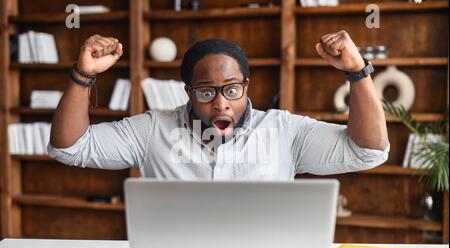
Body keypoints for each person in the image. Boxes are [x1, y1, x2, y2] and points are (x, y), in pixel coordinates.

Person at [48, 31, 389, 180]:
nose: (221, 103)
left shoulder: (285, 131)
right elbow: (69, 148)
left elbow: (368, 151)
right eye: (207, 92)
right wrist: (83, 76)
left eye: (232, 89)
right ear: (188, 92)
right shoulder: (152, 130)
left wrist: (358, 72)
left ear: (246, 87)